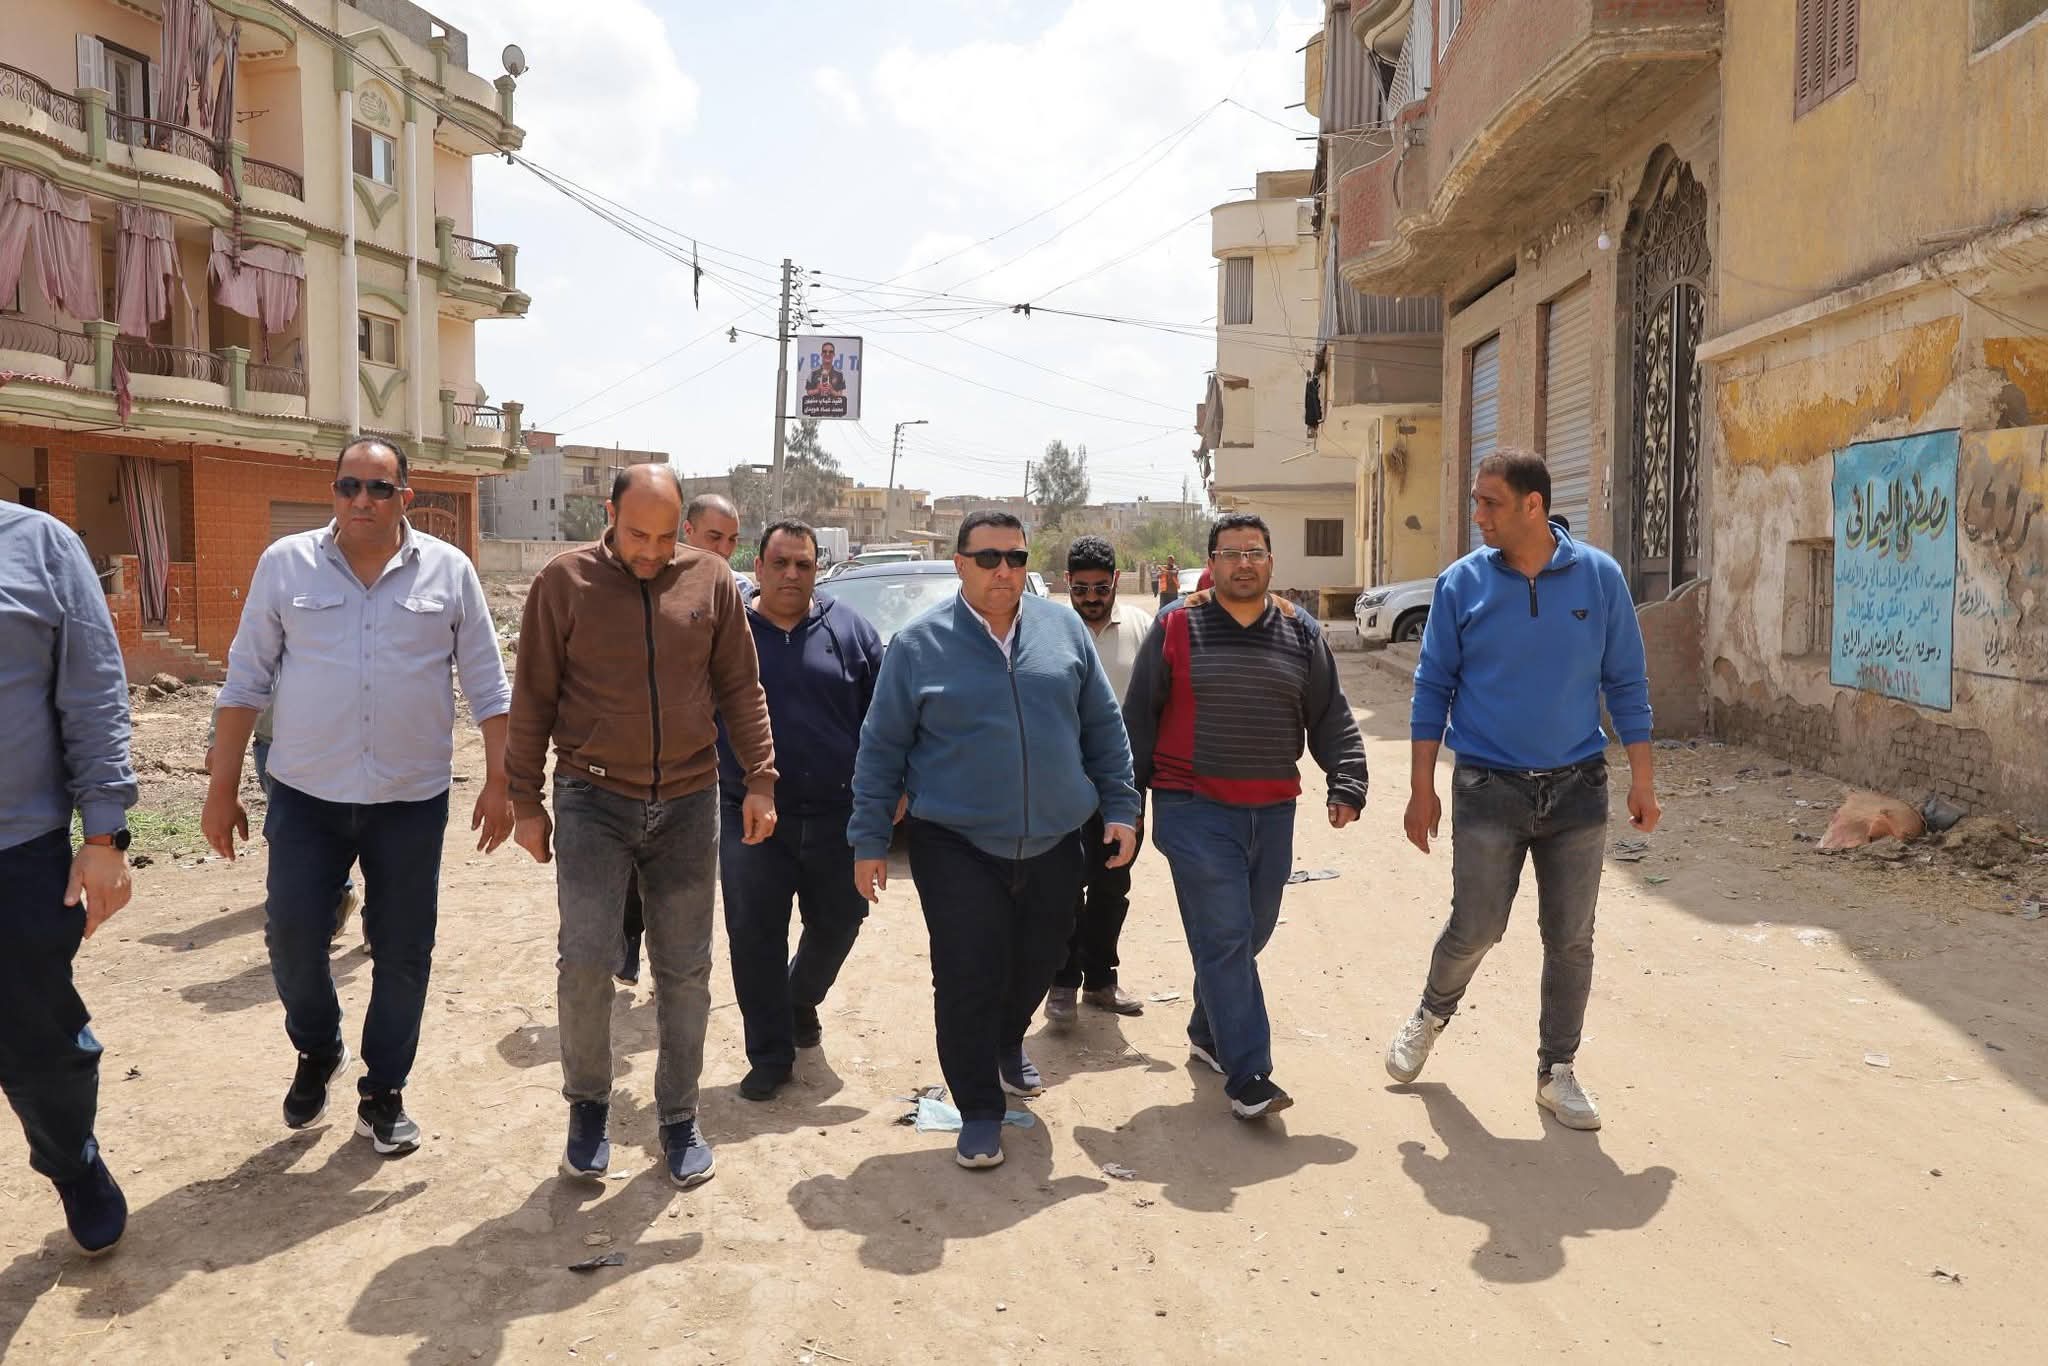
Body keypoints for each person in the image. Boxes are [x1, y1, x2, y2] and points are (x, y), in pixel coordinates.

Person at [205, 437, 514, 1156]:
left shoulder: (450, 571)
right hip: (306, 795)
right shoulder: (286, 565)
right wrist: (222, 789)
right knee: (291, 938)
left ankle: (384, 1090)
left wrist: (502, 782)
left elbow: (488, 686)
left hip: (410, 800)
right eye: (349, 487)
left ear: (406, 495)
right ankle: (319, 1047)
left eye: (379, 488)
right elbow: (245, 680)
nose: (362, 501)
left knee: (404, 951)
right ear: (334, 493)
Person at [508, 464, 777, 1189]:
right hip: (592, 797)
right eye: (637, 535)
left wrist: (760, 778)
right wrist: (524, 800)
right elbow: (532, 694)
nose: (653, 551)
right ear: (609, 513)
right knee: (586, 961)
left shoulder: (710, 580)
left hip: (689, 800)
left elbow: (740, 686)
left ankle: (679, 1116)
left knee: (685, 970)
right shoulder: (564, 583)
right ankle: (588, 1108)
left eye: (665, 537)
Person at [850, 511, 1139, 1171]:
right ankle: (979, 1108)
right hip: (955, 842)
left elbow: (1103, 725)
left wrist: (1121, 806)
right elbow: (881, 748)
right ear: (960, 564)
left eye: (1016, 557)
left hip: (1056, 838)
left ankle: (1008, 1040)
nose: (1004, 570)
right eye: (988, 558)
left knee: (1043, 958)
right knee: (966, 971)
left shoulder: (1063, 630)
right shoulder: (917, 646)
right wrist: (869, 838)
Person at [1384, 448, 1659, 1131]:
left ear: (1533, 506)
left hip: (1577, 788)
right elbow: (1431, 688)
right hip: (1488, 787)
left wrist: (1643, 780)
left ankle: (1556, 1071)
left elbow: (1626, 681)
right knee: (1477, 926)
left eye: (1491, 503)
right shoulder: (1461, 584)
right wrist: (1422, 789)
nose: (1478, 515)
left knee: (1571, 939)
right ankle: (1431, 1013)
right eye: (1476, 501)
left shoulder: (1599, 577)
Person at [1124, 513, 1368, 1119]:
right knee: (1228, 936)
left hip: (1272, 810)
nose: (1243, 563)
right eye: (1230, 553)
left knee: (1248, 932)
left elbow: (1329, 712)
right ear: (1212, 562)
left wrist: (1347, 778)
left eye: (1254, 552)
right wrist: (1126, 804)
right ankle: (1250, 1075)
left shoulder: (1298, 629)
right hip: (1192, 806)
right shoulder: (1176, 624)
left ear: (1271, 562)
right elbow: (1139, 720)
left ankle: (1208, 1031)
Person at [1, 500, 137, 1255]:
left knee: (41, 1048)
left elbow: (93, 690)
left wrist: (105, 834)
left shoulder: (38, 546)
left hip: (17, 851)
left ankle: (72, 1162)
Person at [717, 519, 883, 1101]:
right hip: (749, 813)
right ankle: (770, 1054)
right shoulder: (729, 633)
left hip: (839, 814)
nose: (792, 574)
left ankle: (799, 998)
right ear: (758, 567)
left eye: (804, 565)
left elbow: (884, 717)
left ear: (818, 570)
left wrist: (894, 787)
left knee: (841, 921)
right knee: (754, 935)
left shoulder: (851, 631)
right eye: (780, 563)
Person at [611, 490, 751, 989]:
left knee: (691, 877)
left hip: (712, 752)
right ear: (686, 531)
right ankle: (628, 938)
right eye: (714, 536)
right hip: (652, 752)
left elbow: (743, 681)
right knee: (636, 859)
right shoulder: (649, 580)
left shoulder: (737, 592)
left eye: (732, 540)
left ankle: (675, 976)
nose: (723, 548)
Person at [1045, 535, 1151, 1024]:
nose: (1091, 598)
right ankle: (1062, 982)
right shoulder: (1046, 628)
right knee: (1063, 887)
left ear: (1116, 582)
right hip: (1061, 784)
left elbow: (1155, 705)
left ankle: (1102, 982)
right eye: (1081, 588)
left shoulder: (1142, 628)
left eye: (1101, 588)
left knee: (1112, 886)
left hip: (1121, 787)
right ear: (1067, 582)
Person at [206, 704, 363, 950]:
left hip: (352, 738)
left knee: (376, 829)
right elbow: (240, 688)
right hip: (273, 742)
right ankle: (341, 893)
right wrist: (217, 743)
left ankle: (382, 922)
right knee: (303, 840)